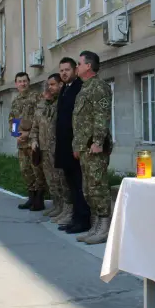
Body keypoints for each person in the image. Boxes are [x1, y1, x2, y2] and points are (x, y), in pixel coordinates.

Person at [73, 51, 113, 245]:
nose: (77, 67)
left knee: (98, 188)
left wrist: (98, 142)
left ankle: (104, 228)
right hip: (84, 147)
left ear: (88, 66)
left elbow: (101, 116)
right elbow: (80, 121)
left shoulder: (98, 87)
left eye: (79, 64)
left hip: (94, 147)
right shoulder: (85, 88)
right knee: (88, 189)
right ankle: (95, 226)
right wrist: (77, 145)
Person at [54, 57, 91, 233]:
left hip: (74, 145)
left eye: (67, 70)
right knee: (71, 184)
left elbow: (80, 120)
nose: (63, 73)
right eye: (61, 70)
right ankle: (75, 218)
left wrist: (78, 145)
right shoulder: (65, 89)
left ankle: (83, 220)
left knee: (79, 184)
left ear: (75, 70)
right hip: (64, 145)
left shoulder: (79, 88)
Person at [31, 73, 69, 220]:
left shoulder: (60, 103)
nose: (48, 89)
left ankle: (66, 208)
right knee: (50, 180)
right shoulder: (41, 106)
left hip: (57, 148)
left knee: (61, 179)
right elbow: (35, 126)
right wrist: (34, 140)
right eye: (47, 86)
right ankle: (57, 205)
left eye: (51, 86)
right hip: (44, 148)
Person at [9, 72, 45, 211]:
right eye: (20, 81)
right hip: (21, 143)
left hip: (34, 141)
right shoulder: (16, 101)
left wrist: (29, 133)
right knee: (25, 170)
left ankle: (39, 200)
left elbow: (41, 118)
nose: (22, 84)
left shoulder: (36, 97)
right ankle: (31, 198)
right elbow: (12, 120)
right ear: (16, 84)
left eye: (25, 81)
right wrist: (16, 134)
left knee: (37, 170)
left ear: (29, 82)